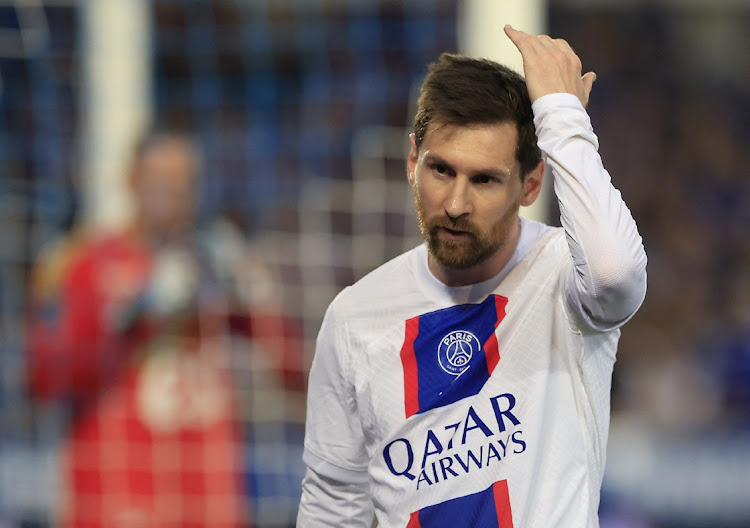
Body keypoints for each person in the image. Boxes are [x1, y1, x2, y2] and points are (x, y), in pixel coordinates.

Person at [297, 26, 647, 527]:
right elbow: (332, 509)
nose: (456, 204)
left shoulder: (565, 279)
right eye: (441, 171)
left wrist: (562, 115)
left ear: (530, 185)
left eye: (484, 179)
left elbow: (617, 275)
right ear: (413, 159)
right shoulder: (354, 318)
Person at [27, 131, 302, 527]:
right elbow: (41, 378)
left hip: (209, 495)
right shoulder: (82, 264)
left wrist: (254, 298)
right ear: (131, 179)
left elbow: (292, 368)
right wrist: (135, 319)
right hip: (119, 494)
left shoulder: (215, 260)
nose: (172, 191)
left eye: (184, 180)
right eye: (160, 177)